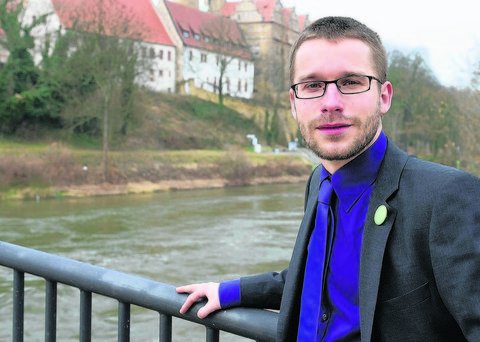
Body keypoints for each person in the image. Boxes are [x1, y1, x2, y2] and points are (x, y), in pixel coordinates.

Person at [176, 16, 480, 341]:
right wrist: (230, 291)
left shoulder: (445, 197)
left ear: (384, 96)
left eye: (351, 82)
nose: (330, 103)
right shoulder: (318, 183)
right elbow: (317, 277)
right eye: (312, 85)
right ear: (294, 104)